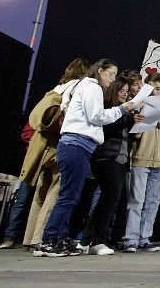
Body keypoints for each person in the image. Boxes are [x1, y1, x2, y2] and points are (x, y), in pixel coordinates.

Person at [34, 59, 138, 257]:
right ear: (100, 71)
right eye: (111, 74)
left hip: (80, 145)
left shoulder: (86, 87)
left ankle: (60, 237)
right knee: (68, 195)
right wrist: (123, 109)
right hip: (76, 144)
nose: (112, 79)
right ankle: (50, 240)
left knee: (72, 195)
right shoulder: (92, 86)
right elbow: (96, 116)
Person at [21, 58, 90, 250]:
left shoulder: (57, 89)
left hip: (41, 147)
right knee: (57, 192)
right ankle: (42, 238)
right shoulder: (76, 88)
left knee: (40, 193)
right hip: (59, 146)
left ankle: (28, 238)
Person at [79, 77, 143, 255]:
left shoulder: (125, 112)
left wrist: (136, 122)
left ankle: (87, 239)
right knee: (110, 198)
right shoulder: (107, 108)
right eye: (120, 91)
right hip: (106, 158)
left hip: (122, 160)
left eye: (126, 91)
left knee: (108, 200)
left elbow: (128, 134)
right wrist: (128, 119)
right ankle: (98, 240)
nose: (124, 94)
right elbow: (106, 127)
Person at [123, 72, 160, 253]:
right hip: (140, 159)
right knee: (136, 201)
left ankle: (144, 237)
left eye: (159, 88)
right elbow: (136, 132)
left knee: (153, 202)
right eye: (152, 88)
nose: (156, 92)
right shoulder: (139, 105)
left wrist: (159, 116)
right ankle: (130, 239)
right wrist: (146, 114)